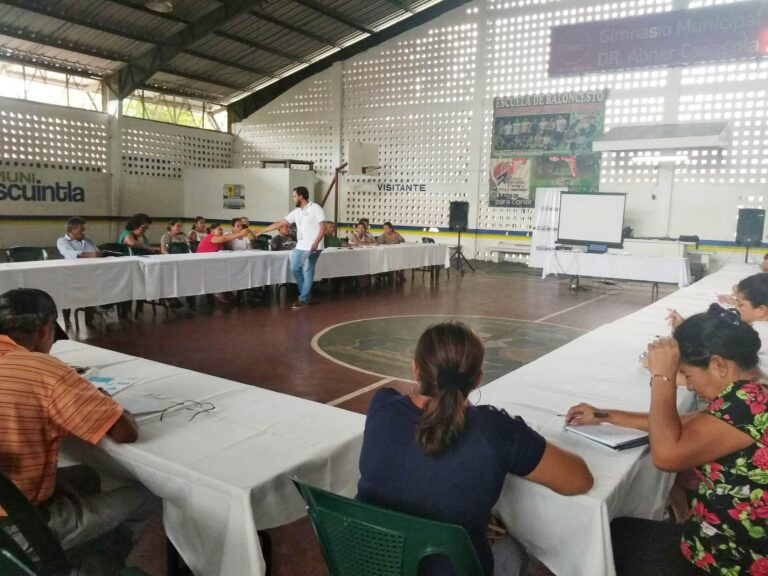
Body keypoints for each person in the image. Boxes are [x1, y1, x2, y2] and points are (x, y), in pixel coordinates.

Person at [358, 322, 593, 576]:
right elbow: (579, 480)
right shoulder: (495, 431)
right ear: (478, 379)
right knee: (513, 550)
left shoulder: (382, 406)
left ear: (416, 370)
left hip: (371, 564)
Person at [566, 303, 768, 576]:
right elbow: (688, 424)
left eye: (687, 374)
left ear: (718, 365)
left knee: (606, 539)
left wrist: (662, 377)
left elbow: (666, 455)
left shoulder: (748, 404)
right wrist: (605, 415)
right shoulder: (751, 392)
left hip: (731, 560)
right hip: (722, 541)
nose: (690, 385)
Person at [0, 288, 158, 574]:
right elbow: (124, 433)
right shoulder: (41, 368)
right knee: (147, 496)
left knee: (86, 475)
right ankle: (90, 567)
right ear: (46, 329)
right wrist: (100, 401)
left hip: (8, 500)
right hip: (17, 531)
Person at [254, 186, 326, 309]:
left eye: (294, 196)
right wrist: (261, 231)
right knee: (294, 267)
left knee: (308, 271)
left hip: (314, 245)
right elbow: (279, 223)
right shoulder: (296, 212)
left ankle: (303, 299)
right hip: (301, 245)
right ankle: (306, 294)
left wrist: (317, 241)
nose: (293, 199)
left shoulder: (316, 208)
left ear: (301, 197)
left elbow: (322, 227)